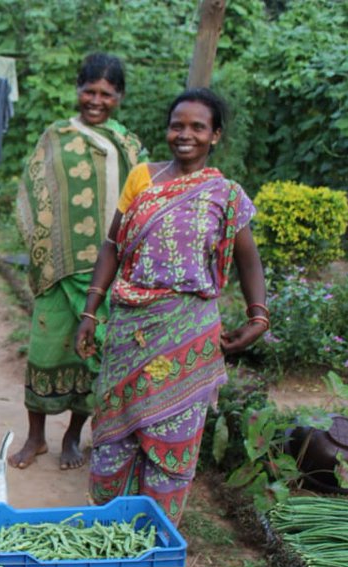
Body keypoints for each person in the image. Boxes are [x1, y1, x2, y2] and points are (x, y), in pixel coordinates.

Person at [75, 88, 268, 522]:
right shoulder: (142, 178)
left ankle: (154, 538)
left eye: (198, 127)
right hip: (130, 330)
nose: (185, 135)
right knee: (114, 439)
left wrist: (260, 315)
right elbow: (111, 245)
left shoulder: (226, 193)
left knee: (172, 441)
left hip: (188, 331)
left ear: (215, 135)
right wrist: (91, 310)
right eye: (177, 125)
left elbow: (247, 256)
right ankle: (106, 530)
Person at [8, 53, 145, 471]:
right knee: (46, 349)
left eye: (106, 93)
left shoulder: (129, 145)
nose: (96, 100)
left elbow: (141, 202)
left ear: (119, 97)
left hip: (107, 271)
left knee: (92, 355)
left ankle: (72, 437)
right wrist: (43, 251)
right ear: (77, 90)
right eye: (89, 90)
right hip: (59, 268)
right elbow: (33, 190)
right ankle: (35, 438)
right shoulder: (57, 136)